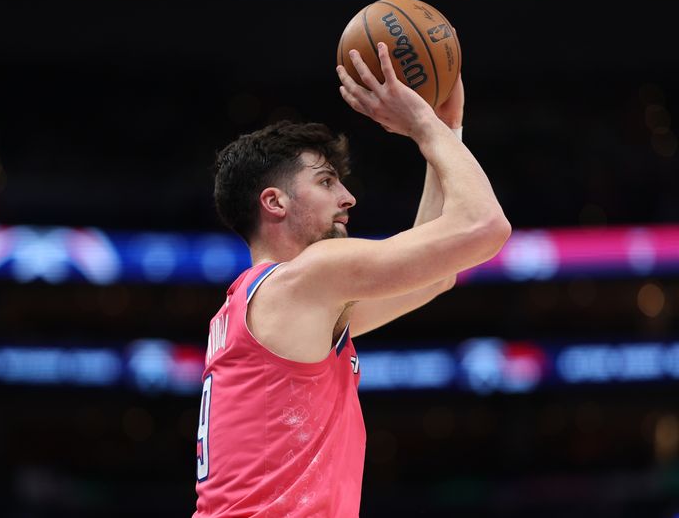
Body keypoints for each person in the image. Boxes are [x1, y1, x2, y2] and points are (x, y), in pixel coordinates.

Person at [193, 42, 510, 517]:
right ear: (274, 202)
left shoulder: (275, 303)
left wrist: (447, 129)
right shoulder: (304, 279)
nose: (348, 198)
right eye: (325, 182)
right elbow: (485, 227)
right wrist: (423, 127)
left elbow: (435, 278)